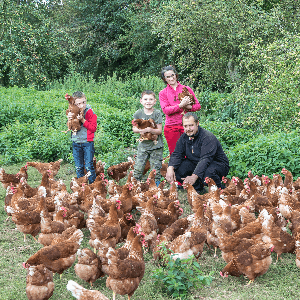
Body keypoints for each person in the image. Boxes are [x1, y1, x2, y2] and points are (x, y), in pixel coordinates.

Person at [165, 112, 230, 192]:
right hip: (197, 162)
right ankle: (198, 188)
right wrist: (170, 167)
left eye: (191, 125)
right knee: (177, 170)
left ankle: (220, 190)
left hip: (217, 164)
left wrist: (194, 176)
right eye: (185, 126)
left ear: (197, 123)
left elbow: (206, 159)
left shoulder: (207, 137)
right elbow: (177, 154)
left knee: (207, 175)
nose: (188, 129)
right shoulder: (184, 138)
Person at [159, 65, 201, 155]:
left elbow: (198, 106)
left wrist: (189, 107)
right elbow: (166, 110)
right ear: (164, 79)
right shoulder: (163, 93)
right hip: (171, 127)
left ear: (176, 75)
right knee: (176, 154)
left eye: (172, 75)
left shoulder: (186, 89)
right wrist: (181, 105)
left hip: (187, 125)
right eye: (168, 77)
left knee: (191, 152)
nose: (171, 78)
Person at [132, 90, 163, 186]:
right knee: (138, 167)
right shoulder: (138, 113)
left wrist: (150, 129)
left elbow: (159, 130)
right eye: (145, 99)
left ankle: (156, 188)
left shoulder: (157, 113)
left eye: (150, 99)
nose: (148, 101)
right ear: (141, 101)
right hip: (143, 146)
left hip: (156, 146)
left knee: (155, 169)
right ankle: (134, 186)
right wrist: (141, 131)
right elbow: (134, 128)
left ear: (155, 101)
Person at [67, 91, 97, 184]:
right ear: (74, 103)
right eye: (78, 103)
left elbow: (93, 128)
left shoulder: (90, 112)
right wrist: (69, 119)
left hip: (87, 142)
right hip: (76, 142)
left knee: (88, 166)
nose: (81, 105)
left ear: (86, 100)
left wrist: (83, 120)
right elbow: (70, 126)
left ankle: (92, 187)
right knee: (79, 167)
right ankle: (81, 187)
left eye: (83, 102)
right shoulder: (72, 111)